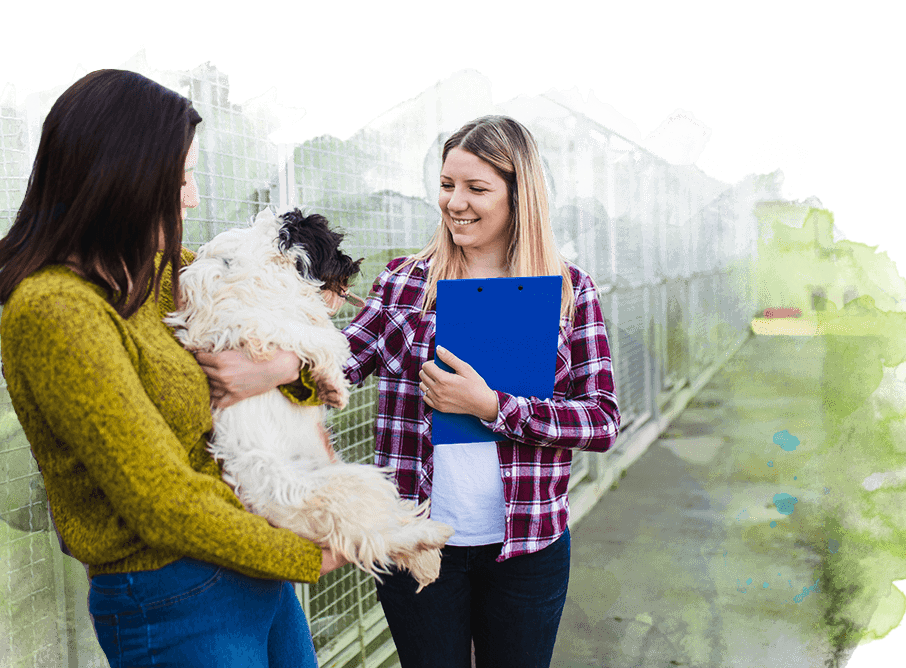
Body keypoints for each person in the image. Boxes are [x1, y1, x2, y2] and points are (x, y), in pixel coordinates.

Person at [203, 115, 621, 667]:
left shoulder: (570, 290)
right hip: (419, 538)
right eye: (448, 185)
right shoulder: (405, 280)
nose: (455, 203)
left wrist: (492, 407)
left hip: (526, 543)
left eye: (477, 189)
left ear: (520, 195)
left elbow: (600, 420)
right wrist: (274, 367)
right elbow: (346, 357)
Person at [0, 68, 347, 668]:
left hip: (251, 565)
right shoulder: (56, 311)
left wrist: (281, 367)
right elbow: (157, 497)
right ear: (117, 180)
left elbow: (281, 319)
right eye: (180, 178)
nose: (192, 198)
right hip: (173, 594)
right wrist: (313, 554)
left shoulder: (159, 269)